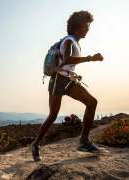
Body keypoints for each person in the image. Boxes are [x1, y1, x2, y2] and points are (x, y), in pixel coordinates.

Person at [31, 10, 105, 161]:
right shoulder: (69, 41)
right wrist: (91, 58)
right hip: (57, 81)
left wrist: (73, 74)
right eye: (86, 25)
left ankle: (83, 142)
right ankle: (36, 144)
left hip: (68, 80)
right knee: (52, 116)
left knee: (92, 102)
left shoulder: (76, 43)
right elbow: (66, 60)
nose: (88, 29)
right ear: (78, 25)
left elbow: (67, 65)